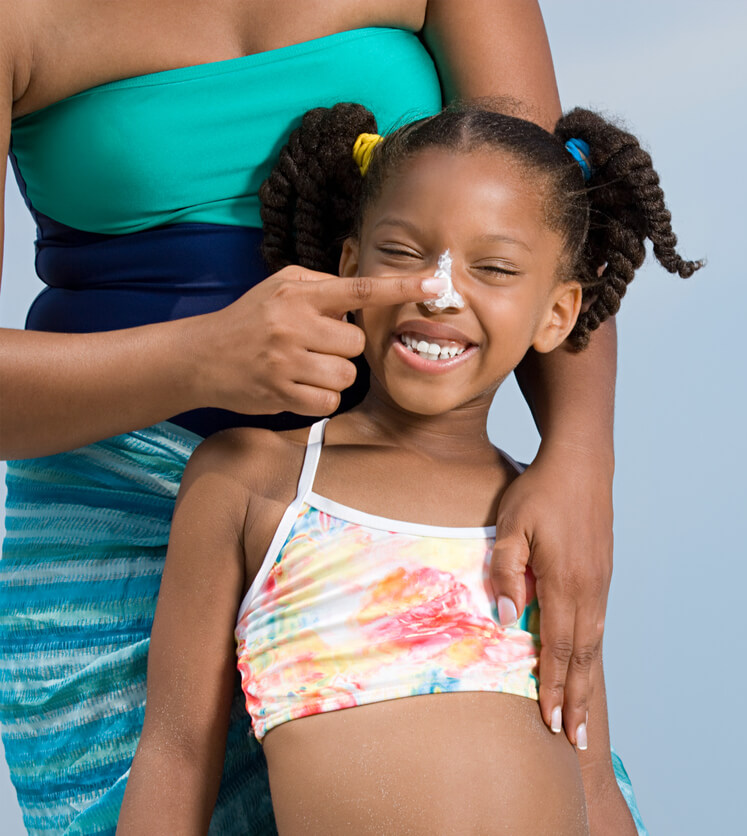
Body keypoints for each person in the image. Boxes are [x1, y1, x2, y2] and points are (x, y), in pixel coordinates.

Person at [1, 4, 639, 833]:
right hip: (111, 525)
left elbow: (544, 209)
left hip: (394, 505)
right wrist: (201, 357)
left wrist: (580, 460)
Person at [116, 102, 700, 834]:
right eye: (402, 253)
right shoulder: (253, 483)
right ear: (351, 266)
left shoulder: (540, 518)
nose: (438, 290)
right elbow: (174, 757)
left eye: (492, 268)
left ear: (557, 313)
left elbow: (590, 773)